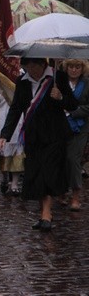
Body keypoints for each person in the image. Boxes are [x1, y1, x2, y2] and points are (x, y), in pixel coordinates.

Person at [0, 57, 77, 232]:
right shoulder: (22, 81)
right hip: (33, 135)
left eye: (34, 66)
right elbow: (16, 108)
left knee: (49, 171)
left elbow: (73, 104)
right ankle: (44, 212)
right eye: (28, 66)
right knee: (36, 172)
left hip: (54, 134)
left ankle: (46, 214)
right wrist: (5, 134)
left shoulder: (58, 78)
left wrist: (61, 97)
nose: (31, 70)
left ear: (43, 65)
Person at [62, 59, 89, 211]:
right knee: (61, 158)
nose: (74, 70)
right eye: (71, 67)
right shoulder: (59, 82)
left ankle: (76, 195)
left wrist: (73, 112)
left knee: (73, 159)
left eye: (77, 67)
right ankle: (61, 190)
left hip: (80, 127)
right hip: (61, 127)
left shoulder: (86, 83)